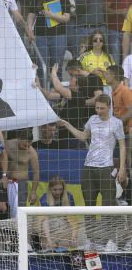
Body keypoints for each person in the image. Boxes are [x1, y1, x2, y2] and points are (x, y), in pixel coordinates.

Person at [59, 95, 127, 248]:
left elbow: (122, 146)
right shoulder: (92, 119)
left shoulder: (116, 123)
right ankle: (91, 240)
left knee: (108, 206)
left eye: (102, 108)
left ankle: (110, 240)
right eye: (96, 108)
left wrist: (122, 168)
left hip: (107, 167)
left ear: (109, 107)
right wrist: (68, 125)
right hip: (89, 167)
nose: (98, 111)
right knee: (89, 205)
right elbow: (83, 136)